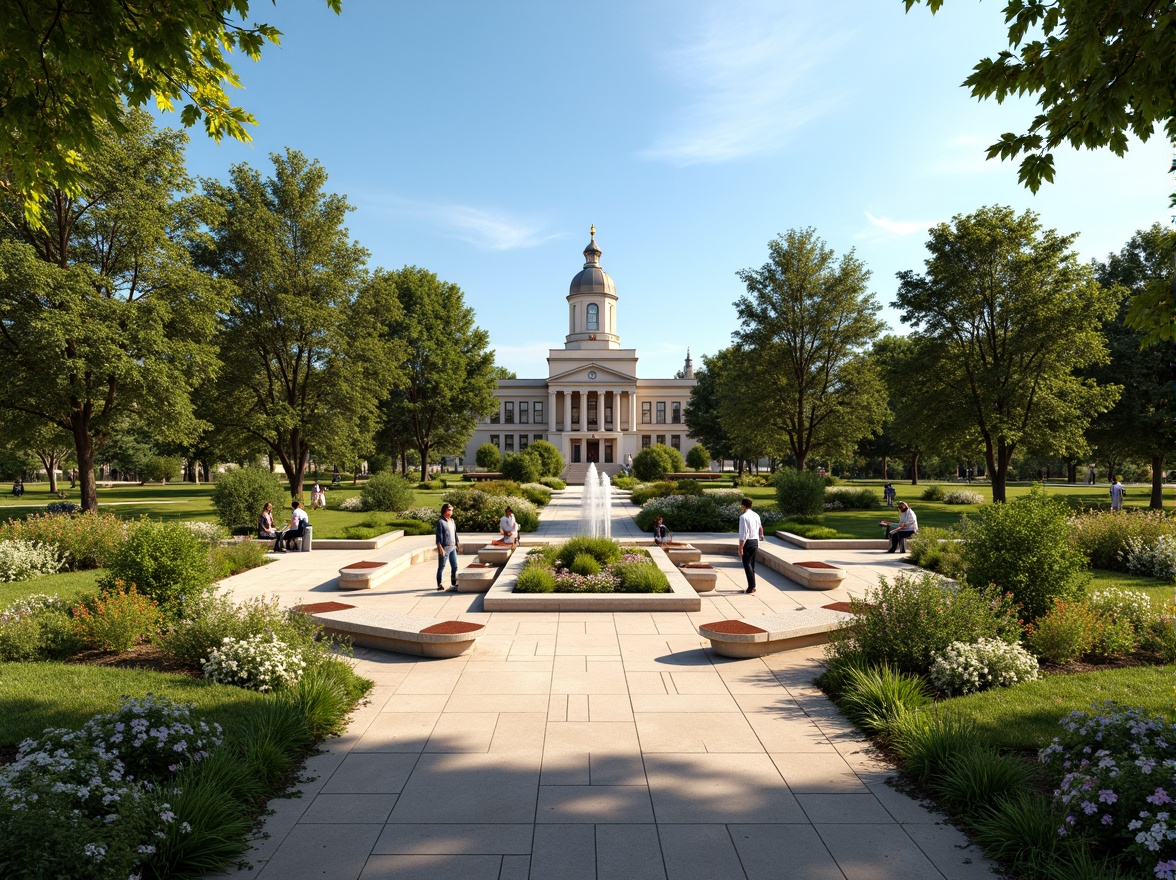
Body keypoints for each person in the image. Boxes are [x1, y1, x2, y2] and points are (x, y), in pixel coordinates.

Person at [737, 497, 764, 594]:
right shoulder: (756, 515)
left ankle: (751, 586)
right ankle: (752, 585)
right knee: (752, 564)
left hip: (747, 542)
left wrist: (740, 547)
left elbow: (743, 534)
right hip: (755, 541)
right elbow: (760, 528)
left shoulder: (743, 517)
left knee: (747, 564)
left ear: (743, 506)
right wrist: (761, 537)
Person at [436, 503, 459, 590]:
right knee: (442, 566)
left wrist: (457, 544)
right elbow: (438, 536)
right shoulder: (441, 522)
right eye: (449, 510)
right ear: (445, 510)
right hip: (445, 547)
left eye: (452, 510)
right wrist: (440, 547)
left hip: (453, 546)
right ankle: (439, 584)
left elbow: (455, 534)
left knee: (455, 565)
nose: (451, 512)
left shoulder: (452, 521)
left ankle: (453, 582)